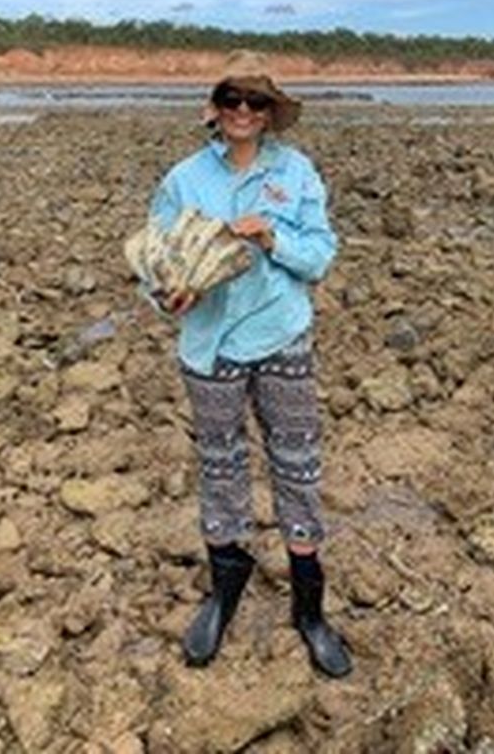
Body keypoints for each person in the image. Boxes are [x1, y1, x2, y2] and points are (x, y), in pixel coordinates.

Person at [149, 50, 352, 678]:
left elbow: (320, 256)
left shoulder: (296, 172)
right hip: (209, 346)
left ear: (269, 113)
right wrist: (168, 294)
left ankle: (309, 609)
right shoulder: (183, 179)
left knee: (297, 464)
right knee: (220, 463)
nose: (243, 110)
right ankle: (225, 590)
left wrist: (271, 237)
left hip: (281, 335)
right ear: (215, 108)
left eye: (255, 101)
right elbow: (156, 263)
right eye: (232, 98)